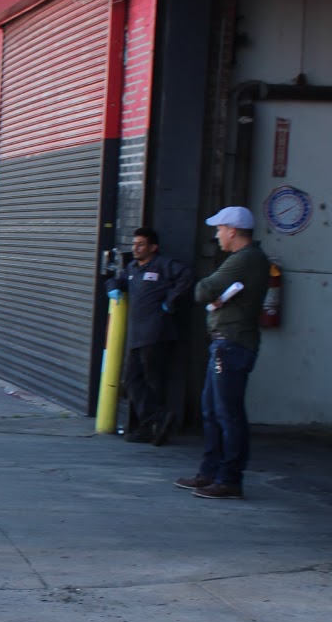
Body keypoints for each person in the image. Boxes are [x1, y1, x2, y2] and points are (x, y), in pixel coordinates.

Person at [175, 206, 270, 499]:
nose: (216, 235)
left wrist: (213, 297)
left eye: (219, 230)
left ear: (232, 230)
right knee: (213, 411)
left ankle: (229, 478)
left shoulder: (245, 260)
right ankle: (210, 472)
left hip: (231, 344)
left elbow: (203, 291)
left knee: (227, 413)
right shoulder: (245, 260)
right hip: (225, 344)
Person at [106, 227, 192, 445]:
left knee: (152, 380)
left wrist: (170, 301)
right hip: (137, 336)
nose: (135, 248)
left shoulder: (163, 265)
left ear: (153, 247)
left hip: (156, 334)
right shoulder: (133, 268)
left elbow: (186, 276)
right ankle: (156, 419)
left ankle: (153, 425)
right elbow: (119, 280)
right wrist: (112, 286)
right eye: (134, 244)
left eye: (141, 244)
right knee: (132, 380)